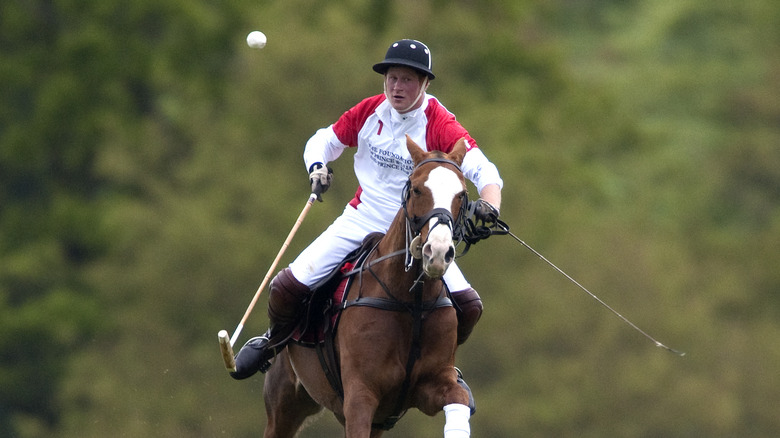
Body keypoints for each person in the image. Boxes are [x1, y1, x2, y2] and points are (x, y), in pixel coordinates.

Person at [231, 39, 503, 381]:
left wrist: (489, 205)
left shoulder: (438, 121)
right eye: (392, 77)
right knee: (286, 287)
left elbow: (484, 171)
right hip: (363, 216)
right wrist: (317, 166)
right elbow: (324, 141)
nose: (397, 86)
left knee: (469, 306)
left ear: (425, 84)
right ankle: (274, 341)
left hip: (416, 230)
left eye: (407, 79)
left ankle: (440, 364)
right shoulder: (370, 111)